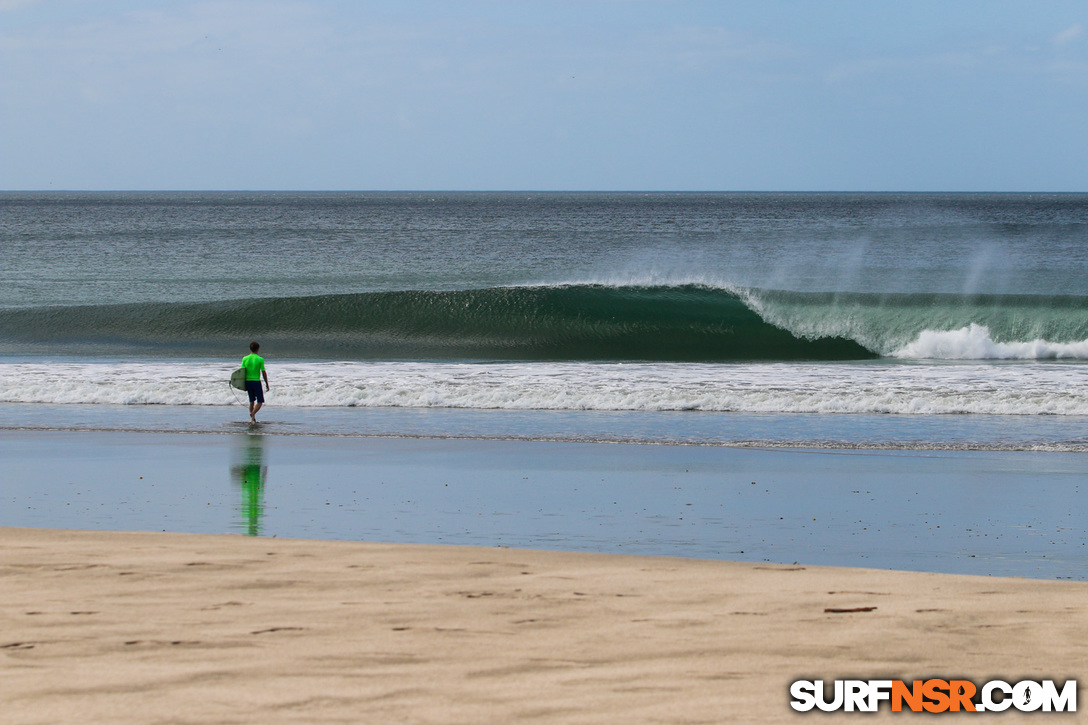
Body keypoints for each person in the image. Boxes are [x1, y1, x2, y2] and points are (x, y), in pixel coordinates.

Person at [241, 341, 270, 423]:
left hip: (248, 382)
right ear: (258, 348)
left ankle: (252, 419)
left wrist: (242, 384)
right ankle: (253, 413)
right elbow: (263, 372)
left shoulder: (245, 358)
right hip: (256, 382)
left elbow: (242, 372)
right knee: (260, 401)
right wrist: (267, 384)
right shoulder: (260, 359)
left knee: (251, 401)